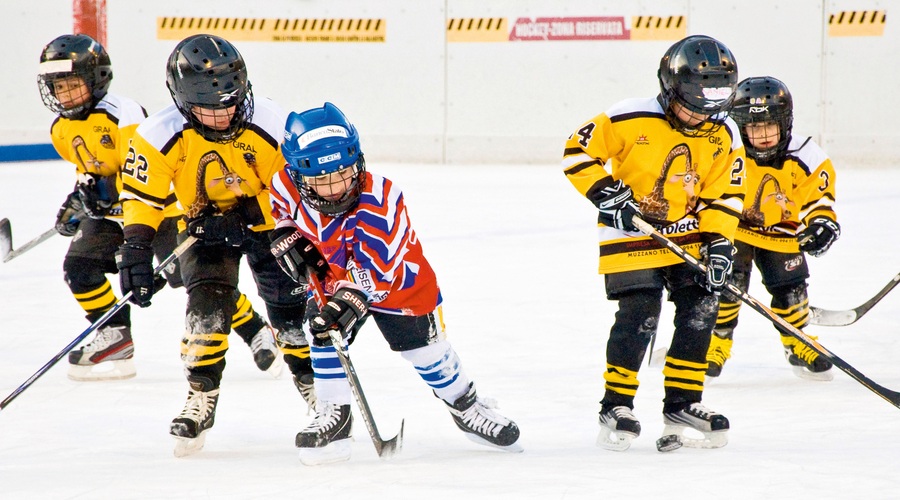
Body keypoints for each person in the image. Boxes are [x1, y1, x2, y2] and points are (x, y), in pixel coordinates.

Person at [268, 102, 521, 465]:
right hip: (330, 275)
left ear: (358, 162)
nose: (334, 188)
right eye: (319, 180)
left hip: (399, 283)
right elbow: (281, 217)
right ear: (297, 175)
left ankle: (466, 406)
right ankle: (334, 415)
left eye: (341, 173)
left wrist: (347, 298)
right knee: (322, 331)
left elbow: (374, 269)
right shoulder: (284, 186)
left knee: (425, 349)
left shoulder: (382, 198)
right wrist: (286, 237)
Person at [37, 34, 282, 382]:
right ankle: (115, 338)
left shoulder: (124, 114)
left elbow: (141, 178)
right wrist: (82, 196)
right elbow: (90, 170)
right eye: (57, 87)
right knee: (78, 268)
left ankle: (255, 328)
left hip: (161, 215)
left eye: (72, 85)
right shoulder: (60, 130)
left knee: (190, 279)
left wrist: (109, 192)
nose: (64, 95)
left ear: (96, 78)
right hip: (112, 217)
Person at [115, 34, 314, 456]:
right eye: (209, 107)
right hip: (204, 228)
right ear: (183, 101)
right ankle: (201, 395)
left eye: (231, 102)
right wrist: (135, 246)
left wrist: (251, 216)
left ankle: (318, 392)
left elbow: (294, 188)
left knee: (290, 315)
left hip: (273, 227)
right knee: (205, 306)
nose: (223, 114)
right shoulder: (157, 134)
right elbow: (142, 197)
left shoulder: (273, 123)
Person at [562, 35, 746, 452]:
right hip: (631, 234)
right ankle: (617, 404)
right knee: (640, 311)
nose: (700, 118)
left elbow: (725, 194)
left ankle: (683, 402)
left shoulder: (725, 132)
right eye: (690, 107)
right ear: (668, 89)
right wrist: (606, 192)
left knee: (701, 307)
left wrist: (719, 242)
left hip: (690, 236)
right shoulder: (628, 116)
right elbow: (576, 152)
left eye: (710, 110)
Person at [705, 76, 838, 381]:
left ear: (785, 123)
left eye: (769, 125)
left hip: (781, 233)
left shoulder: (807, 156)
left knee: (791, 288)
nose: (763, 134)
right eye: (754, 127)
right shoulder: (725, 150)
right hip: (735, 229)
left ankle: (796, 340)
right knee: (726, 281)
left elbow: (818, 199)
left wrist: (821, 224)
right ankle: (716, 341)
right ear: (741, 127)